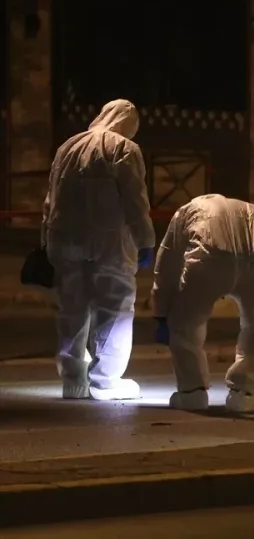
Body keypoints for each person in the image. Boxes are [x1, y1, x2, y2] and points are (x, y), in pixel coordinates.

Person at [40, 99, 155, 401]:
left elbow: (50, 199)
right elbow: (135, 201)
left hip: (65, 240)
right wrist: (145, 240)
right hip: (110, 243)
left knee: (73, 308)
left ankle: (73, 380)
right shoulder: (124, 149)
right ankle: (106, 381)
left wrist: (45, 239)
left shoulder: (68, 146)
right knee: (115, 307)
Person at [150, 194, 254, 413]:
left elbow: (167, 264)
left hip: (208, 259)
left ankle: (192, 393)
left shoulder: (188, 209)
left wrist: (161, 312)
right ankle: (244, 394)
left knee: (186, 324)